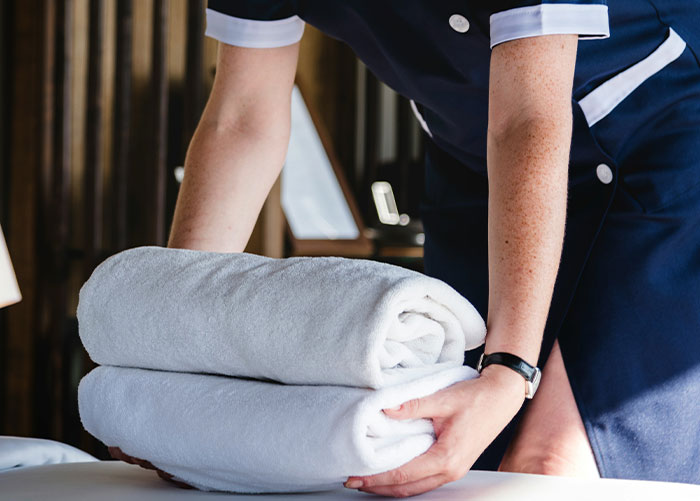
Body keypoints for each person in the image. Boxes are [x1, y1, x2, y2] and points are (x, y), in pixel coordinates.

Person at [147, 1, 700, 496]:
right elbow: (241, 120)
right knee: (447, 462)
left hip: (666, 150)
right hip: (481, 177)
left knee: (544, 468)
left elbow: (525, 119)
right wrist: (170, 367)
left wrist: (508, 370)